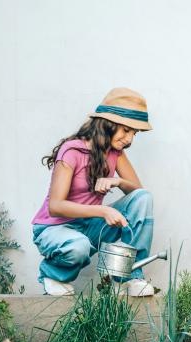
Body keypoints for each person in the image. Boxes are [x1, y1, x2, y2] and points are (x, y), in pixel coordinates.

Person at [32, 87, 156, 297]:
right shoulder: (72, 150)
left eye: (134, 133)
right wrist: (103, 211)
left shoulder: (116, 153)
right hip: (53, 228)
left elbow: (138, 192)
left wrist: (117, 181)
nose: (130, 139)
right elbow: (56, 206)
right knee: (78, 247)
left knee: (143, 198)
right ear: (108, 123)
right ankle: (51, 273)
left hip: (88, 226)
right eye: (126, 130)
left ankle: (128, 276)